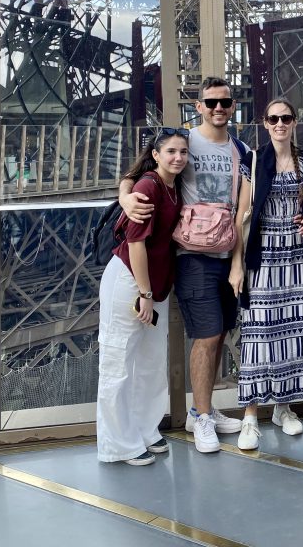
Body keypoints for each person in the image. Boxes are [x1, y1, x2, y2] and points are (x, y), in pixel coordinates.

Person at [119, 77, 246, 453]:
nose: (218, 108)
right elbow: (140, 172)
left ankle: (199, 410)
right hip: (193, 257)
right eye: (211, 102)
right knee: (205, 336)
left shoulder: (241, 149)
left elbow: (243, 210)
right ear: (198, 105)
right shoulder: (185, 143)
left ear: (233, 106)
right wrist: (127, 197)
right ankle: (203, 417)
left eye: (225, 102)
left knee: (220, 332)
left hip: (227, 253)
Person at [229, 99, 303, 449]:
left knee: (291, 329)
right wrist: (237, 263)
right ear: (265, 123)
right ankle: (251, 416)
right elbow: (242, 214)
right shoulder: (252, 160)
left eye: (286, 117)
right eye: (274, 119)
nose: (280, 123)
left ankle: (283, 407)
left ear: (295, 121)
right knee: (259, 331)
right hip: (263, 253)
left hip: (297, 253)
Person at [97, 127, 188, 466]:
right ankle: (116, 445)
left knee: (151, 362)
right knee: (118, 361)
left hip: (156, 285)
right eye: (171, 152)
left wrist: (153, 293)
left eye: (183, 152)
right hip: (131, 283)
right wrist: (145, 294)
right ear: (156, 154)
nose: (178, 157)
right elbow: (135, 244)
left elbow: (128, 178)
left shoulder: (173, 184)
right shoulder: (148, 186)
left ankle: (144, 429)